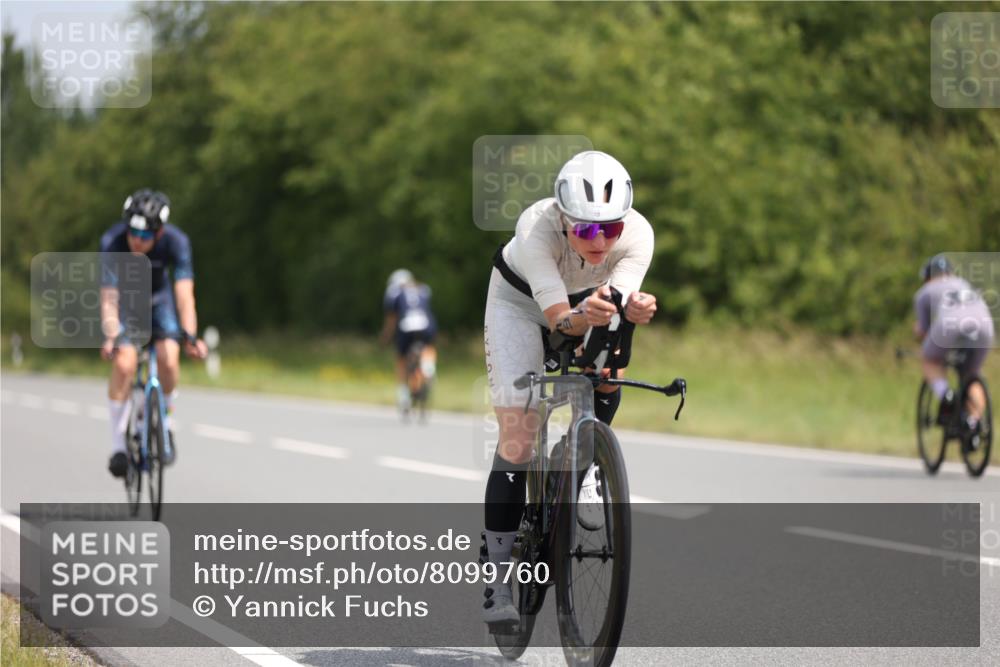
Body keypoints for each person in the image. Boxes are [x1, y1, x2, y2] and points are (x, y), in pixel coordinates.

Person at [481, 151, 657, 625]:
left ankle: (588, 467)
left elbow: (616, 307)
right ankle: (496, 581)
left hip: (585, 303)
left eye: (610, 229)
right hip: (520, 303)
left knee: (609, 367)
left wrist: (630, 311)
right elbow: (561, 322)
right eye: (584, 230)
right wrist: (590, 316)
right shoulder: (536, 229)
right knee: (518, 436)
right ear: (563, 219)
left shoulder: (639, 235)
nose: (599, 242)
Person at [100, 189, 207, 478]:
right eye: (133, 233)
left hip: (160, 302)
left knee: (169, 359)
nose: (137, 240)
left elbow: (185, 294)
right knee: (124, 363)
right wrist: (111, 334)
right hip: (128, 304)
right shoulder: (112, 242)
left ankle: (166, 423)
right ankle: (118, 446)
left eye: (145, 237)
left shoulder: (177, 242)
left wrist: (191, 335)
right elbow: (109, 297)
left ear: (159, 234)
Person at [913, 254, 994, 435]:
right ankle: (974, 422)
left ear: (928, 277)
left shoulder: (924, 292)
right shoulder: (964, 284)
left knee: (930, 360)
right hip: (985, 326)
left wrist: (919, 334)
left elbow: (924, 331)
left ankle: (945, 395)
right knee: (971, 374)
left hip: (949, 326)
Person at [380, 269, 438, 414]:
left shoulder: (393, 291)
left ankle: (403, 395)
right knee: (428, 346)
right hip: (426, 324)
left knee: (401, 359)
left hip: (406, 326)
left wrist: (385, 337)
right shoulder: (423, 288)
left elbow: (392, 319)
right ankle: (428, 366)